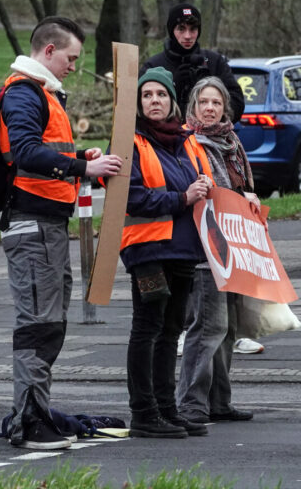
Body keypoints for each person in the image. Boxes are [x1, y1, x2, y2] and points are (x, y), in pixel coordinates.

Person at [0, 17, 122, 450]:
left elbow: (45, 151)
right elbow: (28, 153)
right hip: (32, 227)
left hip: (45, 227)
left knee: (49, 323)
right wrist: (84, 167)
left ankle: (31, 413)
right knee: (38, 325)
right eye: (71, 57)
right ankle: (30, 423)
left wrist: (78, 157)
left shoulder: (41, 94)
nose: (74, 65)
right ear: (48, 52)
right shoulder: (24, 93)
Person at [121, 67, 213, 439]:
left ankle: (166, 408)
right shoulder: (130, 142)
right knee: (148, 328)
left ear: (172, 100)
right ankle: (144, 412)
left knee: (172, 329)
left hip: (183, 248)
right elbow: (130, 196)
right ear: (139, 103)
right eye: (147, 95)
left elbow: (201, 186)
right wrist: (182, 197)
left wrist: (205, 185)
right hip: (148, 249)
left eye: (160, 94)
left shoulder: (187, 141)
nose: (154, 101)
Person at [176, 76, 257, 424]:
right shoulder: (186, 142)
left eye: (217, 103)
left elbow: (240, 187)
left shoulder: (232, 142)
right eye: (203, 102)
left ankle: (219, 400)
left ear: (225, 108)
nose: (210, 108)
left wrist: (249, 198)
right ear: (193, 106)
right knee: (207, 326)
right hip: (202, 248)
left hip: (234, 246)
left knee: (228, 329)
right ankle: (192, 403)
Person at [140, 3, 244, 122]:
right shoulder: (153, 66)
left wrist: (210, 92)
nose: (188, 36)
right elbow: (138, 109)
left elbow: (237, 103)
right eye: (181, 29)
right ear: (171, 30)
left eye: (193, 29)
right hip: (166, 138)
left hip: (209, 137)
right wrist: (171, 90)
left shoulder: (214, 62)